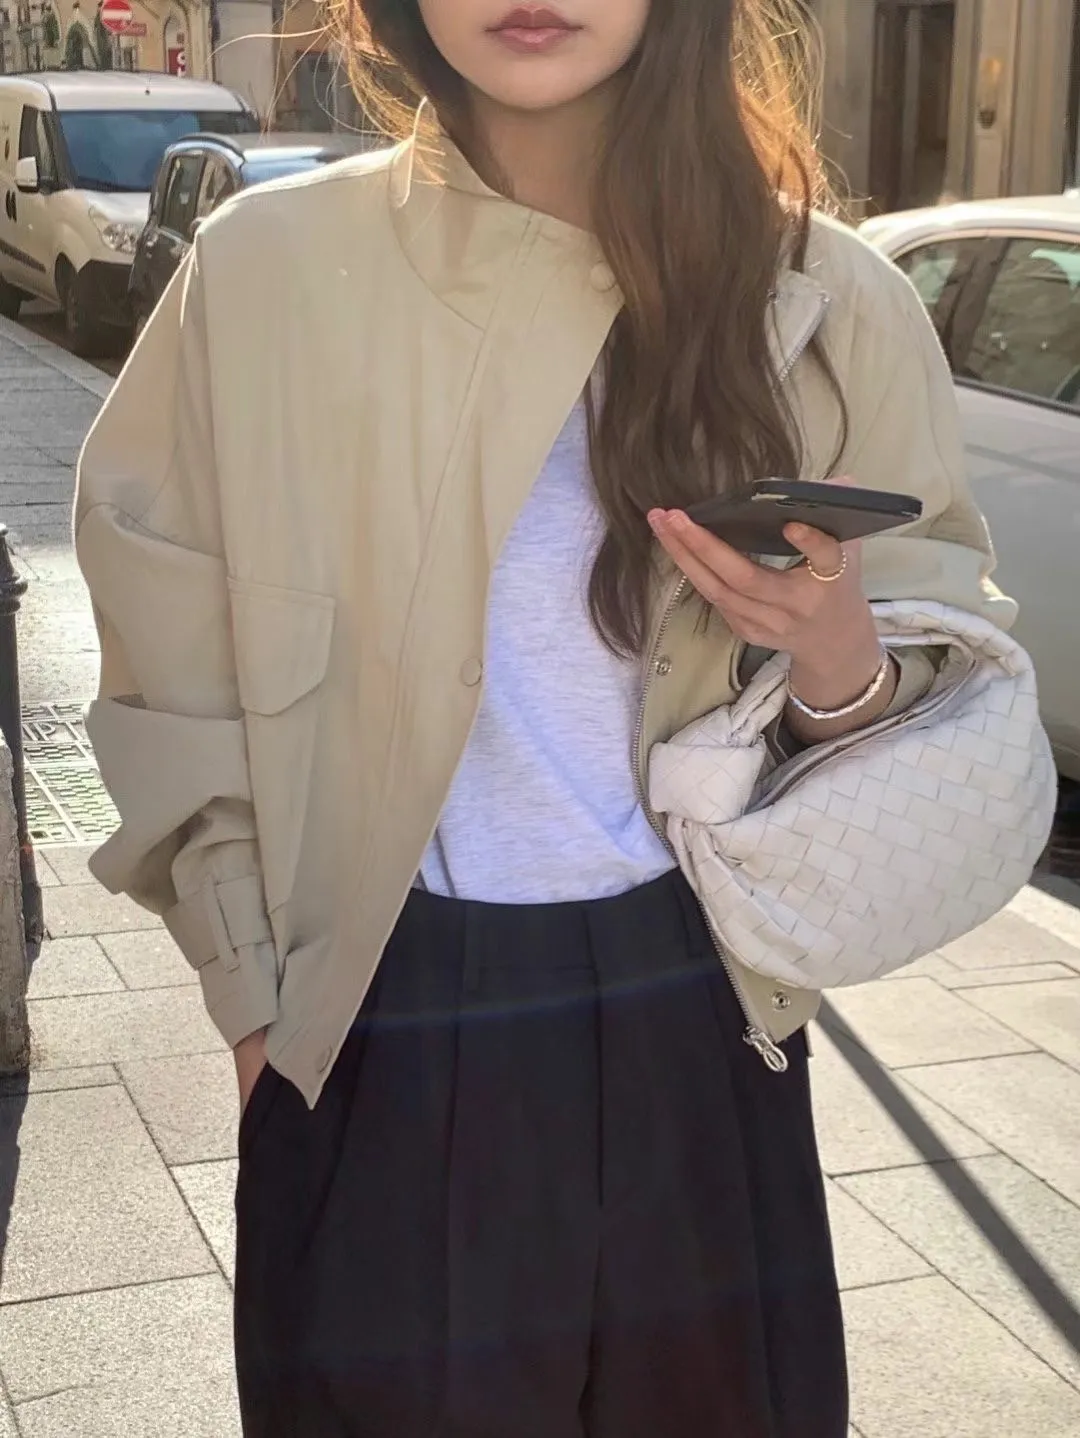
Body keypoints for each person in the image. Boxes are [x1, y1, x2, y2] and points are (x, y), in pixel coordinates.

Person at [75, 2, 1014, 1434]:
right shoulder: (269, 271)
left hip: (701, 1009)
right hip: (378, 1009)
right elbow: (170, 652)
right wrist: (255, 1002)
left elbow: (932, 651)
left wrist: (838, 651)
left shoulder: (824, 297)